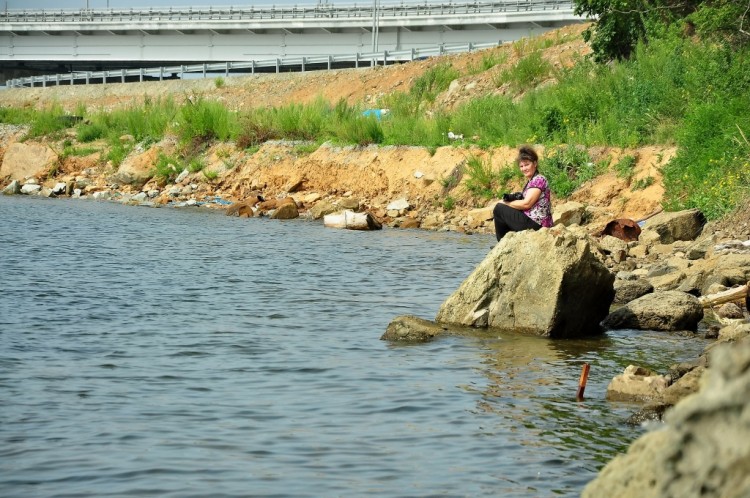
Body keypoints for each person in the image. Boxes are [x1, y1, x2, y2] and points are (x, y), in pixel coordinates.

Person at [493, 145, 552, 242]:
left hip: (537, 224)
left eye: (527, 164)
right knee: (503, 208)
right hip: (534, 221)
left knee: (499, 208)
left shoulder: (539, 180)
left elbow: (527, 204)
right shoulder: (532, 181)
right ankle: (507, 242)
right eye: (521, 166)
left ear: (535, 163)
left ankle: (502, 243)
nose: (524, 168)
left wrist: (505, 203)